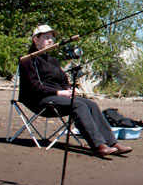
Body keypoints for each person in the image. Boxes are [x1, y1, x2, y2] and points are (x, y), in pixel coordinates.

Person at [19, 25, 132, 157]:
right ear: (35, 40)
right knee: (78, 105)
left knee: (91, 104)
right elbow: (34, 86)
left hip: (58, 98)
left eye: (52, 37)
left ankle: (112, 143)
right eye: (46, 37)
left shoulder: (53, 61)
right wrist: (58, 93)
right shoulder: (28, 60)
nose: (50, 40)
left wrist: (68, 88)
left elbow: (63, 81)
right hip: (39, 100)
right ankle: (98, 145)